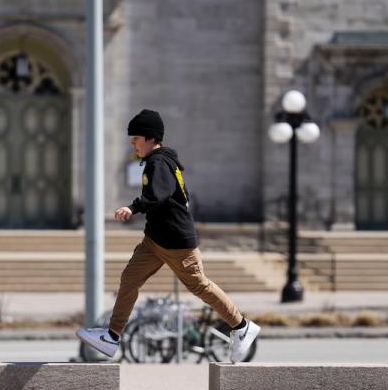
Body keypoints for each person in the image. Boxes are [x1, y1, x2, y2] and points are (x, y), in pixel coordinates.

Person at [76, 109, 260, 363]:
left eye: (136, 138)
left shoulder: (158, 163)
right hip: (154, 240)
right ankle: (112, 337)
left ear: (150, 138)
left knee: (200, 285)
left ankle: (241, 327)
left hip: (176, 242)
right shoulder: (158, 161)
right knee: (129, 279)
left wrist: (133, 207)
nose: (132, 143)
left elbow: (158, 194)